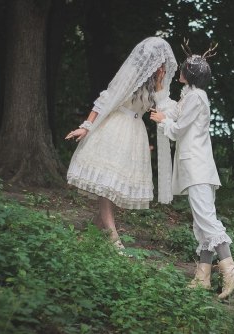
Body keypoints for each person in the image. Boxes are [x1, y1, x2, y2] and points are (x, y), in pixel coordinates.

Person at [150, 40, 234, 299]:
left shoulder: (196, 97)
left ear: (189, 74)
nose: (178, 72)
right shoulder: (191, 95)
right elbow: (174, 111)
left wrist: (163, 122)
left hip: (198, 168)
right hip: (196, 168)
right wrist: (160, 92)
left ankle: (230, 270)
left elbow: (179, 128)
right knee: (202, 223)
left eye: (182, 69)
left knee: (206, 220)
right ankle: (202, 277)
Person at [65, 37, 176, 249]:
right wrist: (87, 125)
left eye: (164, 62)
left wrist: (161, 83)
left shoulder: (155, 83)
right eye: (159, 61)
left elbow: (163, 108)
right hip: (116, 127)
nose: (162, 66)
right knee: (108, 183)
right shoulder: (132, 74)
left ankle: (92, 232)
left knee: (115, 187)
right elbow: (106, 98)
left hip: (136, 132)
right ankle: (113, 236)